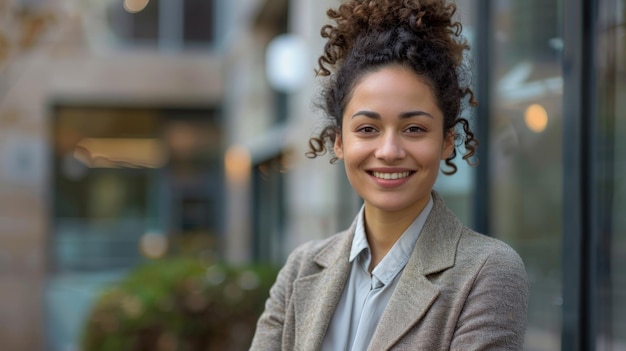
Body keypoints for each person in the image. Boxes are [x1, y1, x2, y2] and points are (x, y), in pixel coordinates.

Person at [249, 0, 529, 350]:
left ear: (446, 141)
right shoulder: (301, 269)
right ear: (339, 142)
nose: (389, 151)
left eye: (413, 128)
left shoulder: (487, 272)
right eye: (367, 129)